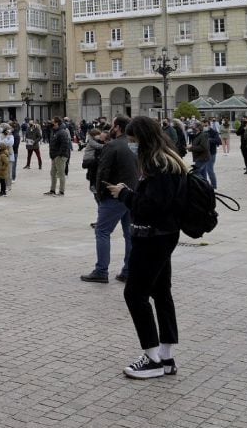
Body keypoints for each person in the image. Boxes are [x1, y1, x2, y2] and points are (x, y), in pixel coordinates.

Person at [105, 115, 186, 380]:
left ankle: (151, 357)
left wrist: (125, 194)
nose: (131, 145)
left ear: (143, 139)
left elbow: (150, 207)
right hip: (165, 233)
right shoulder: (169, 158)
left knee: (135, 294)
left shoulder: (158, 165)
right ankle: (166, 355)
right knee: (161, 292)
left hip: (153, 236)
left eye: (132, 140)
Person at [82, 116, 136, 284]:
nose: (111, 128)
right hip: (133, 194)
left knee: (102, 231)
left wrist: (100, 193)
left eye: (113, 125)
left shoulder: (112, 145)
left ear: (118, 127)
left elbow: (103, 171)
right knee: (130, 234)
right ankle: (128, 270)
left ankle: (101, 270)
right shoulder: (135, 145)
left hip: (114, 194)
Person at [45, 120, 71, 196]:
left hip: (60, 156)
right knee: (53, 173)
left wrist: (59, 154)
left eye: (53, 123)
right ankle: (52, 190)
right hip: (54, 156)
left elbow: (65, 144)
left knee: (61, 173)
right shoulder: (55, 131)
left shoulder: (62, 132)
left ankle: (61, 191)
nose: (52, 125)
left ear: (57, 123)